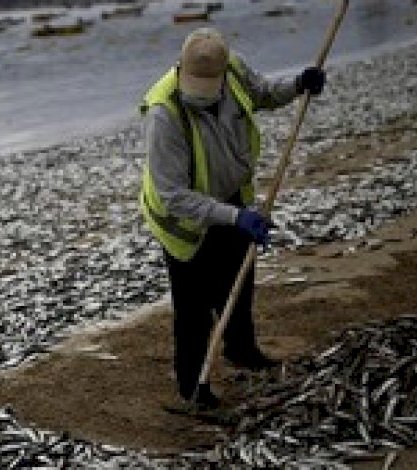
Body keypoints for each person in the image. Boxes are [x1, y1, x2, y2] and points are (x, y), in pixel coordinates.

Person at [139, 28, 325, 409]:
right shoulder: (165, 114)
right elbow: (174, 196)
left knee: (239, 282)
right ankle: (193, 386)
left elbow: (263, 94)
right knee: (193, 310)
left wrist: (298, 84)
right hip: (185, 224)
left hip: (232, 204)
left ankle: (241, 350)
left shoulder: (234, 71)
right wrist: (236, 217)